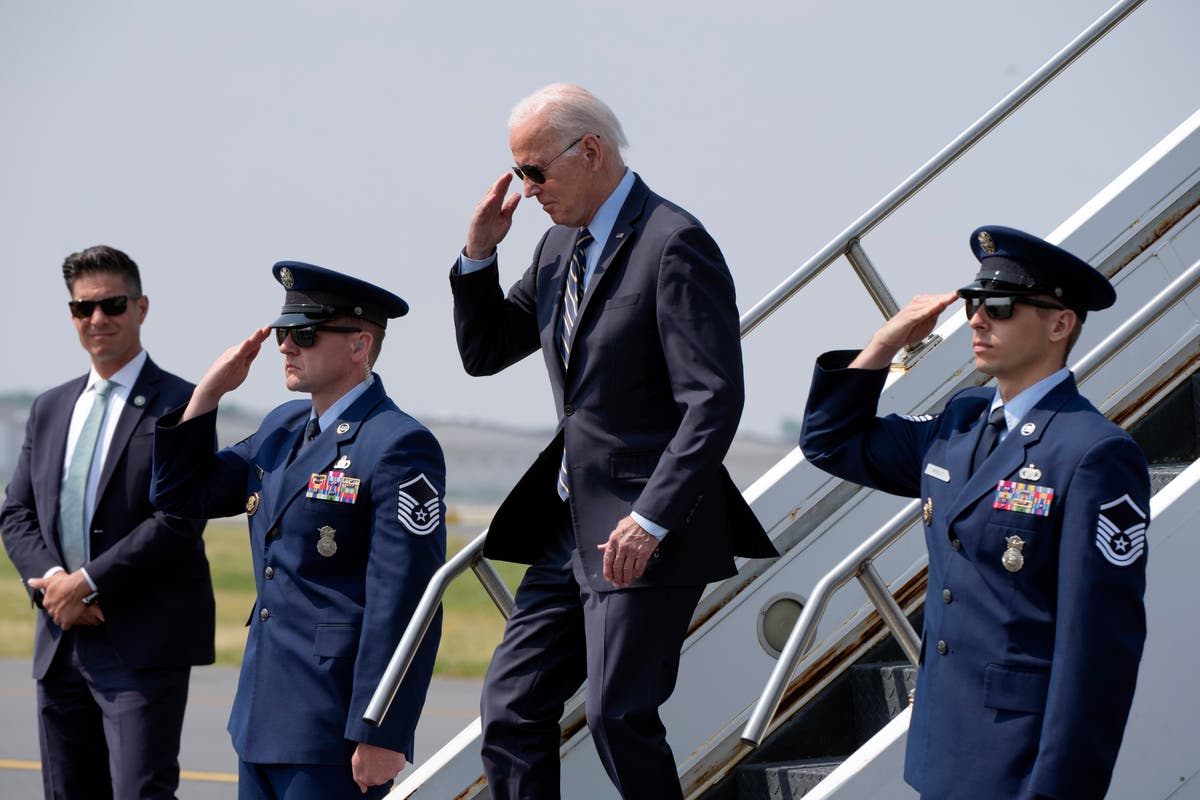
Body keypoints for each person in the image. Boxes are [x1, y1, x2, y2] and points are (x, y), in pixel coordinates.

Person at [449, 83, 778, 800]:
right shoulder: (556, 244)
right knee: (508, 710)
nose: (527, 190)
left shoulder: (674, 242)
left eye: (536, 171)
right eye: (518, 174)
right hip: (568, 529)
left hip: (644, 529)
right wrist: (479, 255)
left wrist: (652, 516)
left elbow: (713, 400)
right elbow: (486, 350)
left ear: (591, 151)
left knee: (617, 715)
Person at [800, 226, 1149, 799]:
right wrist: (884, 346)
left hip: (1020, 763)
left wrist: (1059, 790)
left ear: (1060, 324)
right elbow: (830, 442)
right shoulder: (960, 421)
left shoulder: (1093, 453)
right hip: (943, 749)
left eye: (1001, 305)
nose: (978, 320)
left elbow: (1099, 648)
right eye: (974, 303)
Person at [150, 262, 445, 799]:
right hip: (261, 717)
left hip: (333, 728)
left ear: (360, 345)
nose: (286, 346)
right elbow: (179, 494)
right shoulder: (281, 428)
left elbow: (405, 601)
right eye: (284, 333)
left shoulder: (398, 445)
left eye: (304, 334)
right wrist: (208, 395)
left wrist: (383, 730)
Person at [0, 245, 215, 799]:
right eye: (82, 309)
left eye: (112, 304)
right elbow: (17, 512)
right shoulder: (49, 408)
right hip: (60, 638)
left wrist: (90, 584)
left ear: (142, 307)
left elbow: (179, 519)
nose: (97, 319)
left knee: (139, 793)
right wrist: (56, 585)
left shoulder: (182, 403)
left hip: (141, 645)